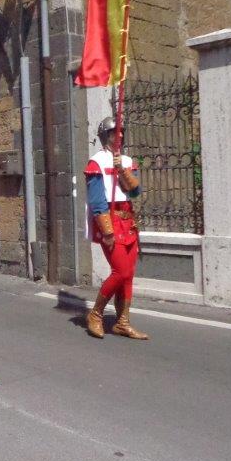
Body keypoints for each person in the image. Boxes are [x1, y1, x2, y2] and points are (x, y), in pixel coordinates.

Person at [84, 116, 148, 340]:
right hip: (110, 220)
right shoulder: (96, 162)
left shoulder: (127, 161)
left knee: (128, 275)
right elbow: (97, 200)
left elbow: (135, 192)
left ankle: (122, 322)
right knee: (120, 271)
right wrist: (107, 231)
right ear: (105, 136)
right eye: (114, 132)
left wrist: (122, 170)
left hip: (128, 221)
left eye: (121, 132)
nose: (119, 135)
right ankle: (96, 314)